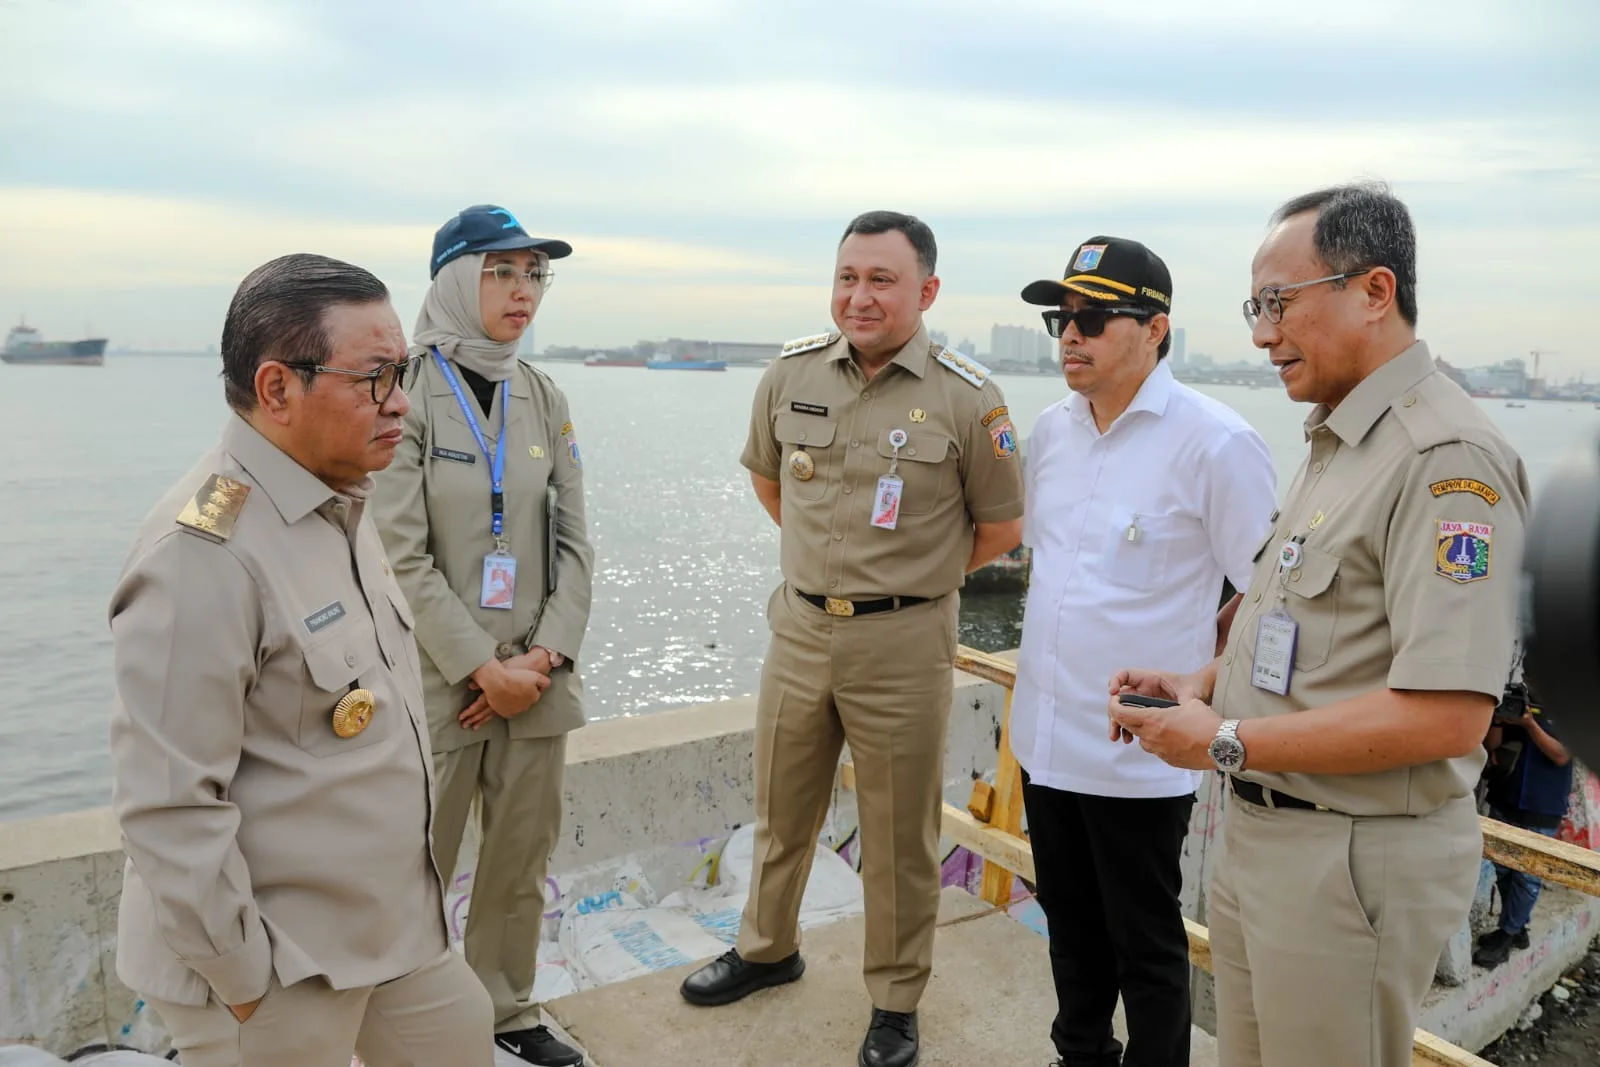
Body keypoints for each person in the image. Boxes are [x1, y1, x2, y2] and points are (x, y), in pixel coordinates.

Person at [1107, 182, 1531, 1067]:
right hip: (1268, 831)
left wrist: (1220, 740)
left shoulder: (1445, 460)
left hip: (1350, 856)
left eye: (1278, 304)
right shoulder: (1338, 441)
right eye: (1256, 306)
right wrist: (1199, 686)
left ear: (1374, 292)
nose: (1262, 333)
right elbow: (1304, 634)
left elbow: (1447, 715)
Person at [107, 253, 494, 1067]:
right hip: (280, 966)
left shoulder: (342, 500)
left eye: (406, 371)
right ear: (277, 388)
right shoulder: (204, 552)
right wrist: (247, 983)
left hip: (390, 930)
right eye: (375, 379)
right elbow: (168, 804)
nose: (402, 404)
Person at [678, 210, 1025, 1067]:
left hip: (903, 644)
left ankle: (896, 998)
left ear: (927, 291)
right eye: (847, 277)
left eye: (881, 280)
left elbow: (1002, 528)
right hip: (800, 629)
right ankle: (766, 947)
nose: (858, 296)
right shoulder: (791, 373)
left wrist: (910, 581)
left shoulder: (967, 397)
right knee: (780, 807)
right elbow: (772, 485)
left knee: (900, 832)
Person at [1012, 237, 1277, 1067]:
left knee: (1147, 945)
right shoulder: (1052, 433)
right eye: (1062, 317)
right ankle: (1078, 1053)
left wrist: (1208, 692)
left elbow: (1270, 597)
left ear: (1156, 329)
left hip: (1139, 752)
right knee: (1069, 926)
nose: (1070, 335)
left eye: (1093, 317)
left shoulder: (1216, 443)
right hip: (1045, 736)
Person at [370, 204, 593, 1067]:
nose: (523, 291)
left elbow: (576, 541)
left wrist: (540, 657)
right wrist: (479, 667)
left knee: (518, 856)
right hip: (441, 684)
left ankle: (505, 1008)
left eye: (534, 273)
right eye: (502, 271)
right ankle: (400, 1020)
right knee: (414, 860)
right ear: (456, 280)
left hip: (537, 679)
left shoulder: (545, 395)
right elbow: (399, 553)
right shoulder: (405, 391)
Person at [1474, 667, 1573, 969]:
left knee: (1528, 876)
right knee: (1503, 868)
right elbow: (1492, 746)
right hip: (1507, 794)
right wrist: (1497, 717)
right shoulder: (1518, 701)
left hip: (1544, 804)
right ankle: (1516, 929)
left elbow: (1560, 755)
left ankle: (1508, 934)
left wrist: (1530, 724)